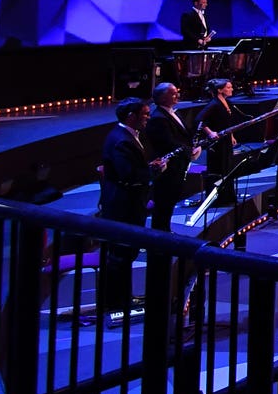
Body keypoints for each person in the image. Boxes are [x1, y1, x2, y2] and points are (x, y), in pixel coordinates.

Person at [99, 98, 160, 311]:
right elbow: (129, 174)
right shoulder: (122, 140)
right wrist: (153, 171)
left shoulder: (127, 135)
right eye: (145, 114)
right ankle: (117, 302)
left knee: (126, 255)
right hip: (123, 206)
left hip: (127, 203)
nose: (148, 118)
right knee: (121, 255)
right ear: (131, 116)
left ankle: (124, 298)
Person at [144, 82, 198, 231]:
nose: (177, 96)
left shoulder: (173, 112)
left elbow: (184, 136)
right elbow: (168, 143)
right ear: (162, 98)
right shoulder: (158, 118)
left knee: (170, 201)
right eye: (173, 93)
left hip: (178, 165)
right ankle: (160, 233)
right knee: (164, 203)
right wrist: (188, 151)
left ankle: (165, 230)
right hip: (167, 168)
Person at [195, 78, 250, 203]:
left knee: (227, 168)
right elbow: (199, 120)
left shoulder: (226, 102)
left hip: (225, 140)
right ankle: (218, 199)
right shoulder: (214, 104)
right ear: (220, 90)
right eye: (228, 87)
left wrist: (231, 135)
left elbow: (226, 123)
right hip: (217, 144)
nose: (232, 89)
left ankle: (228, 197)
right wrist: (210, 133)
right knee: (219, 169)